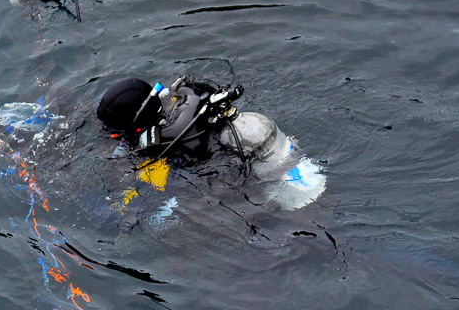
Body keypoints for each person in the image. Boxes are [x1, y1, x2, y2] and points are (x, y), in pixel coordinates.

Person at [96, 76, 327, 210]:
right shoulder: (184, 115)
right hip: (280, 161)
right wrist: (183, 88)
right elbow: (196, 93)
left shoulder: (162, 140)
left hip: (243, 181)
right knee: (320, 208)